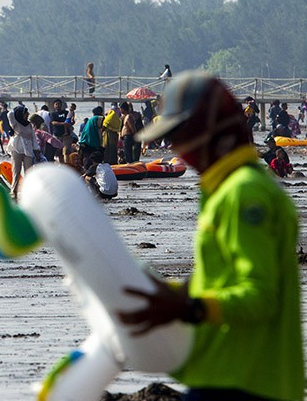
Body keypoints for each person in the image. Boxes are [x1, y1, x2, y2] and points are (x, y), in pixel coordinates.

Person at [118, 71, 304, 401]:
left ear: (209, 132)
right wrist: (171, 291)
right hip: (220, 371)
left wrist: (188, 306)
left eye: (178, 136)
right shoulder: (223, 189)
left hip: (246, 382)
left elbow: (260, 295)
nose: (175, 147)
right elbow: (222, 279)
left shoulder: (244, 195)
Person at [7, 105, 41, 199]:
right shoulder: (15, 124)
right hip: (16, 150)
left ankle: (28, 191)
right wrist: (17, 108)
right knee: (16, 172)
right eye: (26, 113)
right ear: (21, 114)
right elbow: (9, 114)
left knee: (29, 173)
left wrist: (37, 150)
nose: (28, 115)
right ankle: (14, 191)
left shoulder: (29, 125)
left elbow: (34, 138)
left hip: (28, 151)